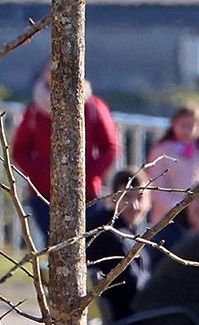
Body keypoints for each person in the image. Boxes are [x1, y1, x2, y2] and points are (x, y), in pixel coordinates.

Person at [10, 63, 121, 251]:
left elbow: (110, 146)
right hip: (44, 194)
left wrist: (87, 173)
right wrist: (42, 173)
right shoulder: (35, 110)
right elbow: (20, 150)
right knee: (55, 249)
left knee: (87, 248)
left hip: (86, 193)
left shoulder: (92, 106)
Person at [84, 169, 152, 325]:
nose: (135, 205)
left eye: (140, 197)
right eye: (126, 197)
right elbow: (133, 289)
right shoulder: (113, 236)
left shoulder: (105, 226)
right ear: (113, 198)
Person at [142, 104, 199, 227]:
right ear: (174, 125)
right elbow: (156, 188)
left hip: (198, 220)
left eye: (192, 126)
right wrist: (179, 210)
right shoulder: (161, 152)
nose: (187, 130)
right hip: (167, 219)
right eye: (183, 125)